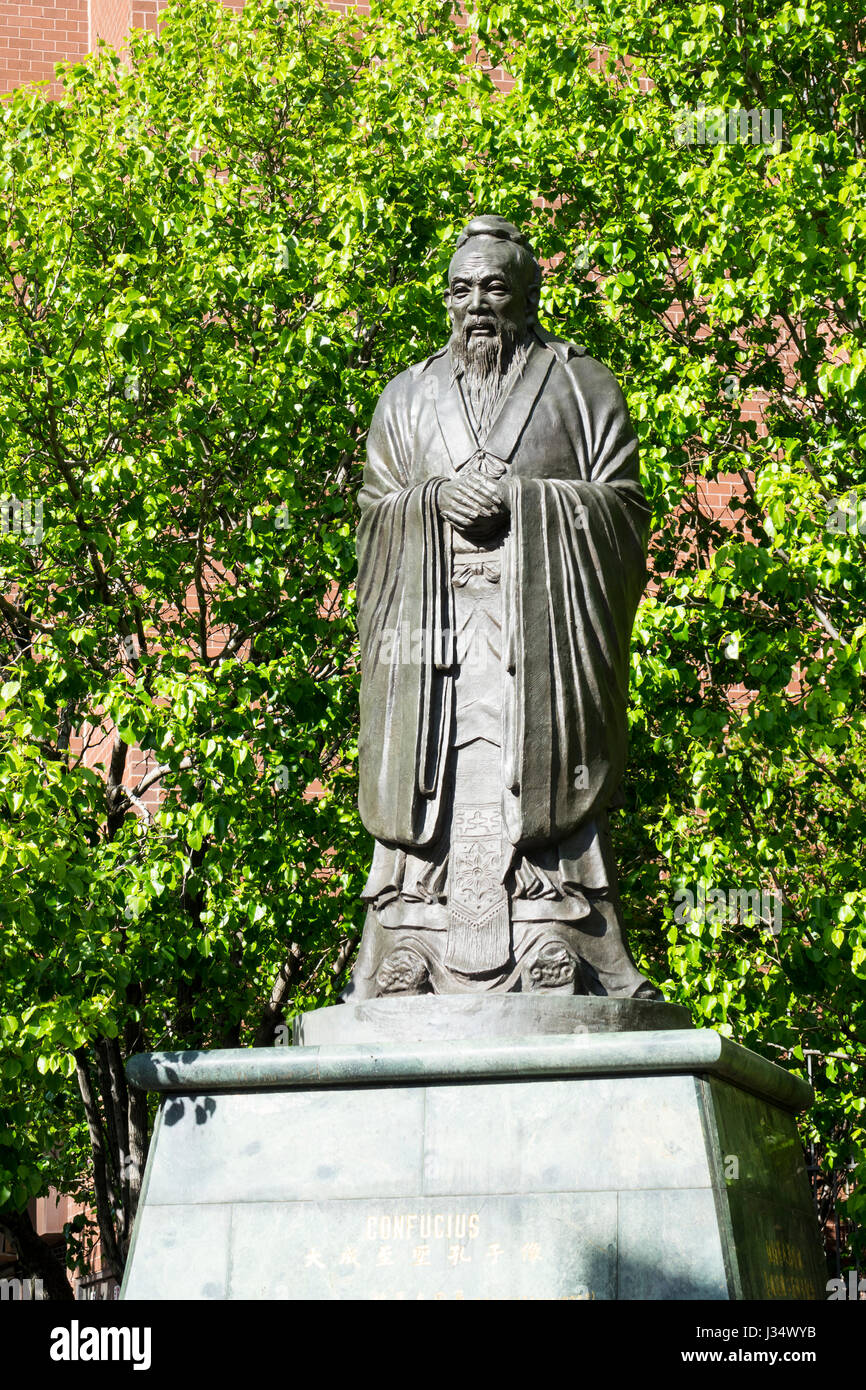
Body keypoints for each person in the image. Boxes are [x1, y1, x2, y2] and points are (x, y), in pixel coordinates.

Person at [344, 214, 661, 1000]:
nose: (476, 305)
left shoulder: (582, 385)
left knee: (542, 778)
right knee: (435, 784)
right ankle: (409, 940)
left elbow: (622, 512)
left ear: (528, 293)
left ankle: (561, 935)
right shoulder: (407, 396)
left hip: (539, 635)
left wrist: (524, 504)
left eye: (493, 287)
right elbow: (372, 514)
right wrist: (432, 503)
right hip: (433, 644)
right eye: (461, 290)